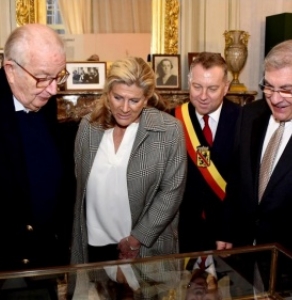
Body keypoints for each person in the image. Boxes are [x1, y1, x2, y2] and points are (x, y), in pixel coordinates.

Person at [71, 56, 187, 265]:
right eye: (118, 97)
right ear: (108, 94)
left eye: (134, 100)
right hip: (94, 246)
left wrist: (137, 238)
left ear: (147, 98)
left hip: (144, 247)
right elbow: (80, 183)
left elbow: (172, 192)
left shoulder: (169, 130)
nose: (124, 108)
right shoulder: (88, 127)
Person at [0, 23, 76, 272]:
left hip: (44, 264)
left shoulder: (40, 97)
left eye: (58, 76)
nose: (53, 89)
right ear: (10, 70)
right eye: (42, 78)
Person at [216, 40, 292, 290]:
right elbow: (236, 180)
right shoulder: (250, 115)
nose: (276, 98)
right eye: (268, 87)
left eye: (287, 89)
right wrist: (226, 230)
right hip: (244, 254)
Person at [174, 52, 241, 253]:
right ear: (189, 83)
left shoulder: (243, 120)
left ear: (226, 88)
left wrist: (228, 229)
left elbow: (243, 184)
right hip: (182, 231)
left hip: (226, 232)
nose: (203, 96)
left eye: (212, 88)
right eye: (197, 87)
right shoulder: (173, 119)